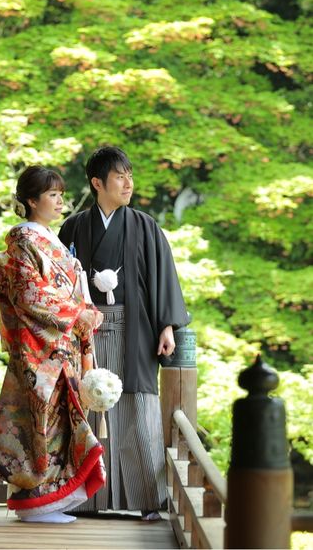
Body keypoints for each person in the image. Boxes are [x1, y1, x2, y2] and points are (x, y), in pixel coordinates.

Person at [58, 146, 189, 521]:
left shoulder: (145, 227)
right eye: (119, 176)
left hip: (134, 329)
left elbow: (163, 277)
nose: (128, 183)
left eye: (130, 175)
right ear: (98, 183)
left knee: (138, 409)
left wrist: (166, 325)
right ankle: (84, 498)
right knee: (84, 407)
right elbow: (61, 282)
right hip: (85, 331)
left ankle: (147, 499)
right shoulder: (74, 228)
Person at [0, 165, 106, 524]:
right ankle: (35, 504)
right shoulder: (24, 240)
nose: (60, 201)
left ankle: (50, 501)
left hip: (60, 345)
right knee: (42, 426)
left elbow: (70, 288)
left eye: (60, 194)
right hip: (40, 349)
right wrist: (76, 313)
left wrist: (85, 311)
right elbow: (29, 295)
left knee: (61, 425)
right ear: (32, 201)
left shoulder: (48, 239)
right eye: (52, 195)